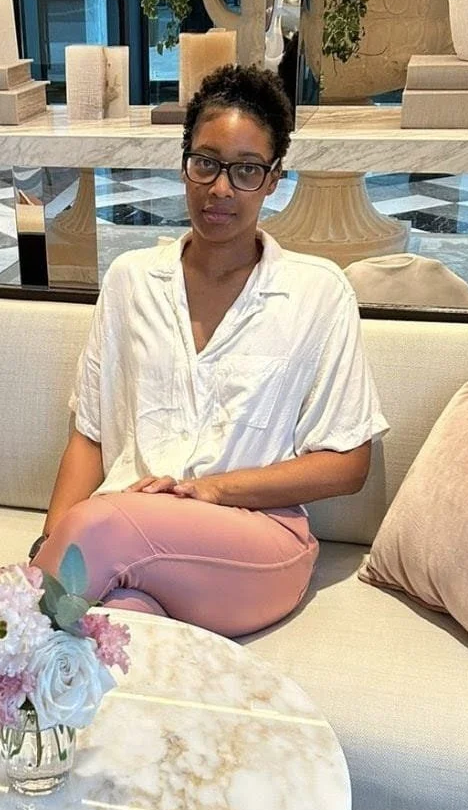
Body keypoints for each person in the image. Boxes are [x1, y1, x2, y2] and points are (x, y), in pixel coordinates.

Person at [32, 64, 387, 639]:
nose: (221, 188)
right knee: (108, 634)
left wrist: (212, 490)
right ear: (184, 165)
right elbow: (91, 436)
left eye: (246, 170)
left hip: (254, 545)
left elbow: (349, 465)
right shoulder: (130, 281)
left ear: (273, 179)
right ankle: (25, 703)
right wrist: (53, 542)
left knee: (94, 541)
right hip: (130, 544)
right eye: (207, 163)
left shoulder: (316, 292)